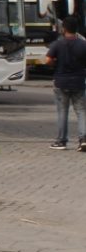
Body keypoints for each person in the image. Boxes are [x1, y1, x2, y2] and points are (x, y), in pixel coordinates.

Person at [43, 16, 86, 151]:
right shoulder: (83, 44)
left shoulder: (58, 44)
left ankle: (61, 141)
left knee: (62, 112)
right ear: (76, 29)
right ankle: (83, 140)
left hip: (61, 82)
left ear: (64, 28)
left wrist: (55, 63)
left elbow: (48, 60)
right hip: (79, 82)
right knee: (81, 111)